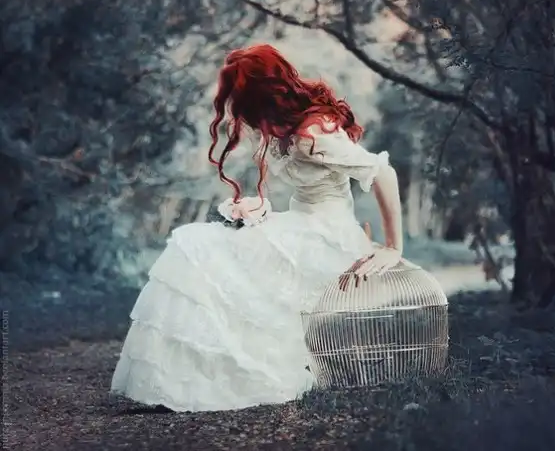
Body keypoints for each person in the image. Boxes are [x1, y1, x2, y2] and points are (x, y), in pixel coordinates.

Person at [110, 44, 404, 412]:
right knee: (197, 245)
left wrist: (393, 246)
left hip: (327, 236)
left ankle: (211, 378)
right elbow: (305, 195)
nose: (242, 116)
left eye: (245, 105)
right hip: (301, 225)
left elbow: (383, 173)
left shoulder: (314, 133)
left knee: (203, 250)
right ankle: (179, 382)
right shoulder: (282, 129)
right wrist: (258, 207)